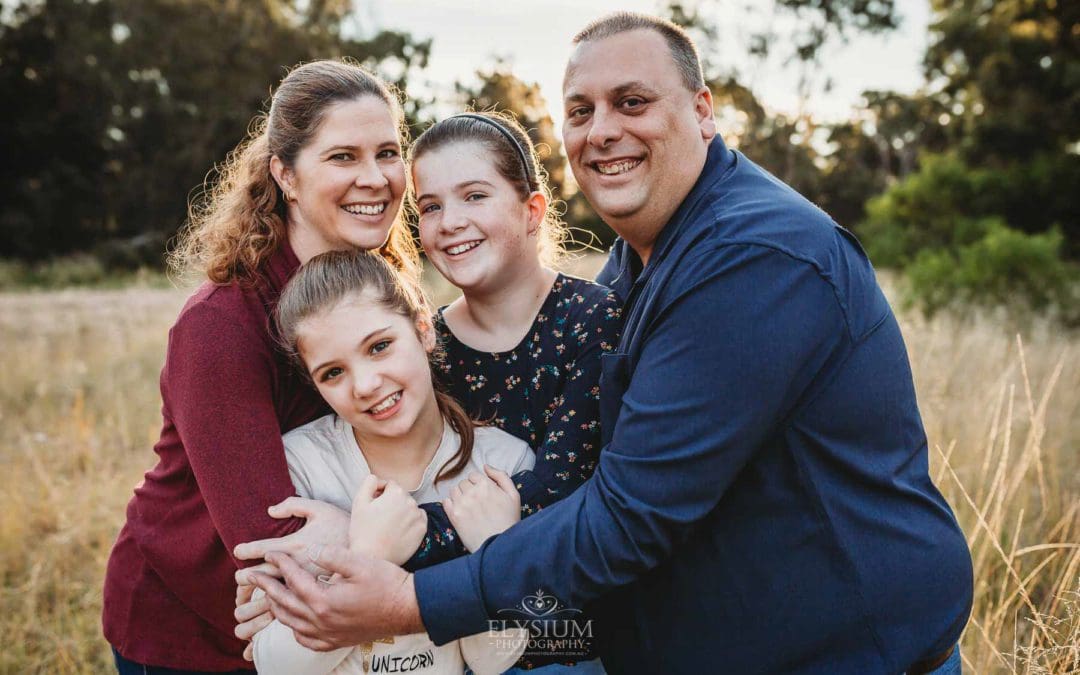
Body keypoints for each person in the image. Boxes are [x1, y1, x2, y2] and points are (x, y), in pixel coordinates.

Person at [238, 13, 974, 674]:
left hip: (853, 654)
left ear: (703, 110)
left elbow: (627, 512)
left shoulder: (756, 258)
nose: (602, 131)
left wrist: (404, 588)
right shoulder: (638, 258)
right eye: (580, 112)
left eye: (633, 102)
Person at [102, 59, 421, 673]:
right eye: (343, 157)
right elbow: (268, 537)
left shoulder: (386, 289)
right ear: (285, 175)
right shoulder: (221, 326)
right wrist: (358, 526)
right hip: (193, 626)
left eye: (388, 152)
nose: (376, 178)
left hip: (314, 627)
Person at [251, 249, 529, 675]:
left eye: (379, 347)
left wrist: (493, 555)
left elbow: (495, 660)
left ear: (423, 330)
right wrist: (367, 556)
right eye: (332, 373)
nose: (365, 385)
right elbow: (276, 664)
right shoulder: (298, 467)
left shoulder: (504, 464)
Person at [411, 112, 620, 671]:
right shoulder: (425, 348)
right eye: (430, 206)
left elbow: (560, 493)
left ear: (533, 210)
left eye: (474, 196)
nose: (449, 222)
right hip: (449, 635)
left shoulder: (593, 320)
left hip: (567, 636)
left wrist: (401, 531)